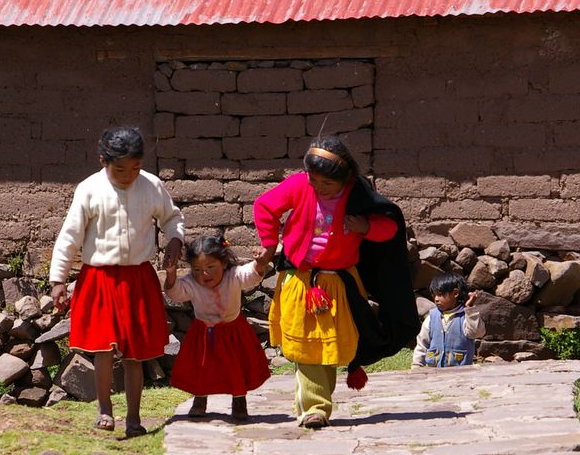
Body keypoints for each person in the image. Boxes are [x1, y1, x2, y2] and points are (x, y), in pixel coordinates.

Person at [253, 137, 401, 429]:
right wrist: (269, 244)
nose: (318, 188)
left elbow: (390, 226)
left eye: (327, 184)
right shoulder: (299, 185)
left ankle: (318, 400)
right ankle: (314, 408)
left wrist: (367, 227)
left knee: (330, 347)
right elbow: (265, 207)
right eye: (314, 180)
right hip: (301, 280)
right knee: (307, 347)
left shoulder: (358, 194)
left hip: (337, 284)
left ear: (345, 180)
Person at [49, 127, 184, 437]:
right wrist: (58, 279)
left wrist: (175, 239)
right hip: (100, 278)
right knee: (103, 348)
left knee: (135, 352)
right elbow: (70, 235)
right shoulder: (89, 190)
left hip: (138, 278)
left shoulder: (152, 186)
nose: (128, 175)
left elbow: (172, 218)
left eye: (135, 167)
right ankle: (105, 409)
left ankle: (134, 418)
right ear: (103, 161)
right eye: (120, 169)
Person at [164, 234, 272, 421]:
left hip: (233, 331)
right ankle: (200, 400)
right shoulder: (191, 283)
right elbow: (175, 293)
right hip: (203, 332)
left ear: (223, 263)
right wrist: (171, 272)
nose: (203, 274)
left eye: (210, 267)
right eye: (196, 269)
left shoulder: (234, 276)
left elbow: (251, 274)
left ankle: (239, 402)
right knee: (202, 368)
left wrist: (260, 263)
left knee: (236, 367)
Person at [412, 272, 486, 368]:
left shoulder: (466, 316)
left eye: (440, 295)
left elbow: (477, 333)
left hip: (461, 373)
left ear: (455, 293)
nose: (436, 299)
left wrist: (470, 309)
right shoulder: (432, 317)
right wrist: (417, 366)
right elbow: (422, 344)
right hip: (435, 372)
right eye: (434, 295)